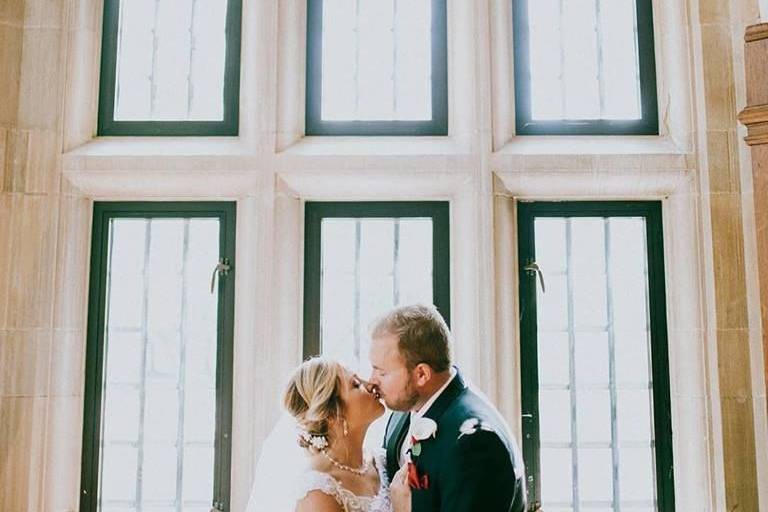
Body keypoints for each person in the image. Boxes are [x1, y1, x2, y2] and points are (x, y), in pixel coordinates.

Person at [367, 304, 527, 512]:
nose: (371, 381)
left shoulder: (475, 444)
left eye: (382, 373)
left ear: (422, 374)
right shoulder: (403, 408)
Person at [245, 357, 411, 512]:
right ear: (333, 415)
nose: (370, 385)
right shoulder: (318, 491)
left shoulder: (381, 461)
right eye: (355, 385)